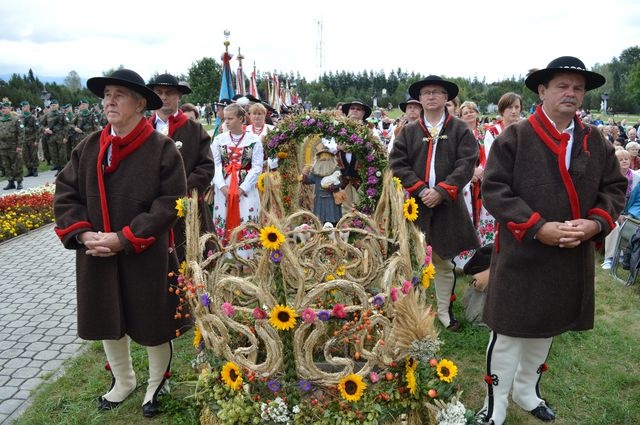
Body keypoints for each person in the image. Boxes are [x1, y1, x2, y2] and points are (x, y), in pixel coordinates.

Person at [480, 56, 626, 425]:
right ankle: (494, 406)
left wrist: (595, 224)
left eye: (578, 88)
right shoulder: (516, 136)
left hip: (569, 255)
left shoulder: (596, 140)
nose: (571, 93)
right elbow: (495, 190)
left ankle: (527, 391)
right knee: (510, 332)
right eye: (562, 86)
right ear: (542, 91)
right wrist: (537, 226)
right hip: (521, 251)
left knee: (547, 326)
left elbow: (614, 189)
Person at [53, 69, 188, 418]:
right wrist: (83, 234)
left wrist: (123, 238)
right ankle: (123, 381)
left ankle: (158, 382)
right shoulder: (89, 147)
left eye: (119, 94)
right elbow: (65, 194)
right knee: (106, 315)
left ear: (140, 103)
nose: (109, 100)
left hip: (145, 252)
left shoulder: (162, 149)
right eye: (106, 94)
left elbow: (171, 201)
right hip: (96, 251)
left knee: (153, 318)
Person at [389, 75, 479, 331]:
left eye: (437, 92)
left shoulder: (460, 129)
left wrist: (441, 190)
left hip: (447, 206)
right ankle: (413, 310)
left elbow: (466, 162)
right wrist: (419, 188)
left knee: (443, 261)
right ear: (420, 98)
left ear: (445, 98)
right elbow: (397, 164)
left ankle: (443, 313)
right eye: (427, 92)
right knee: (412, 260)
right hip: (415, 207)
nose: (431, 96)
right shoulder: (408, 131)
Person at [147, 73, 215, 264]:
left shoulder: (194, 129)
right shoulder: (143, 129)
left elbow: (207, 167)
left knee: (191, 260)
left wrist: (180, 189)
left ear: (179, 96)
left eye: (169, 92)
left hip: (188, 208)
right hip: (152, 211)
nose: (163, 97)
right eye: (159, 92)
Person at [211, 103, 263, 257]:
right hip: (224, 186)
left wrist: (242, 188)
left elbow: (257, 167)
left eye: (230, 118)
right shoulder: (219, 140)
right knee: (224, 217)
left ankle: (248, 256)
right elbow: (215, 164)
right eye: (225, 118)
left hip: (246, 187)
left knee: (246, 216)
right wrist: (221, 187)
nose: (226, 122)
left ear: (241, 119)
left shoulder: (254, 140)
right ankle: (226, 255)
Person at [601, 148, 640, 269]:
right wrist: (616, 214)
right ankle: (609, 258)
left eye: (626, 159)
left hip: (629, 212)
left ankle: (624, 255)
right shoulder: (609, 177)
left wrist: (630, 214)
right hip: (611, 211)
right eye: (620, 159)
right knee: (614, 226)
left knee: (630, 225)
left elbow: (639, 200)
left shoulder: (637, 178)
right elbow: (606, 197)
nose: (624, 161)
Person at [337, 100, 371, 214]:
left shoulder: (369, 131)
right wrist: (337, 147)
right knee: (343, 209)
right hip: (342, 176)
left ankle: (360, 230)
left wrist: (363, 146)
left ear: (363, 114)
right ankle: (345, 230)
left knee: (361, 207)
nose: (355, 111)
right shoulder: (338, 129)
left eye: (358, 109)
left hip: (361, 177)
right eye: (352, 108)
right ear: (347, 112)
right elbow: (326, 145)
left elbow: (376, 149)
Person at [302, 142, 343, 226]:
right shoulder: (316, 170)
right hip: (319, 197)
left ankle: (334, 227)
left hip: (331, 196)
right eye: (322, 156)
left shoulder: (335, 169)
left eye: (326, 155)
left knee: (332, 215)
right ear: (318, 158)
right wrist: (304, 178)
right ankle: (320, 228)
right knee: (319, 218)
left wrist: (334, 186)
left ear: (331, 157)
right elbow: (311, 179)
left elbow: (340, 181)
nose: (324, 158)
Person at [0, 101, 23, 190]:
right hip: (2, 147)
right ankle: (10, 182)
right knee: (6, 165)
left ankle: (19, 182)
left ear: (10, 109)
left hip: (14, 146)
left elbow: (21, 133)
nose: (4, 110)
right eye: (2, 108)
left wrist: (19, 146)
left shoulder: (16, 119)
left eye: (5, 108)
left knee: (17, 164)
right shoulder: (1, 120)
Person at [41, 99, 68, 176]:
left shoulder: (62, 114)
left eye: (54, 105)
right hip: (51, 137)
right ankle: (58, 168)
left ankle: (63, 170)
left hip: (60, 137)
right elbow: (40, 125)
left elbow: (66, 126)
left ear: (58, 105)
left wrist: (66, 137)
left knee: (62, 154)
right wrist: (45, 129)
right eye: (51, 105)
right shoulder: (47, 115)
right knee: (54, 154)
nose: (52, 107)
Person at [19, 100, 41, 177]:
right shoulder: (20, 117)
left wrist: (37, 140)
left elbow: (38, 130)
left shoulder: (33, 118)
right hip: (24, 140)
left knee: (33, 155)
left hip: (32, 139)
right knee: (26, 156)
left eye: (23, 106)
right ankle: (29, 170)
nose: (22, 108)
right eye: (22, 107)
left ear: (28, 107)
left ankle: (35, 170)